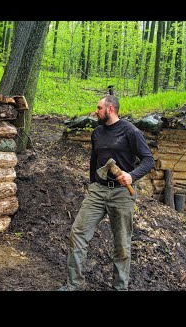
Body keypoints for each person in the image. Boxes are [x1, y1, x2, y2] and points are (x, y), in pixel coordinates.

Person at [59, 94, 154, 291]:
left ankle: (119, 287)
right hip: (98, 191)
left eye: (99, 108)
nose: (96, 111)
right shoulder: (97, 132)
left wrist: (132, 176)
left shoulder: (131, 132)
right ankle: (74, 284)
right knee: (78, 233)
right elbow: (94, 160)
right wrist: (93, 183)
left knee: (121, 243)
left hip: (121, 193)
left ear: (110, 109)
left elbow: (148, 160)